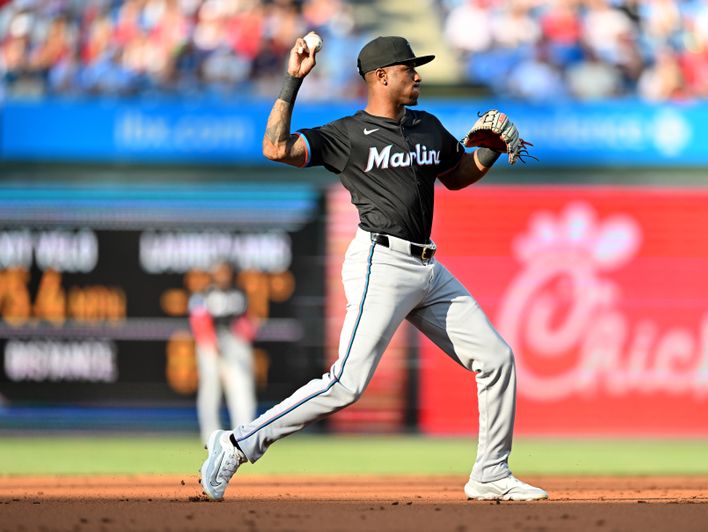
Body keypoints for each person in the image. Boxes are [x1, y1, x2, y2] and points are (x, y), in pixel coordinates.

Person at [199, 35, 548, 502]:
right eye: (409, 68)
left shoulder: (427, 126)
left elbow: (458, 176)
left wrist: (486, 152)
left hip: (427, 266)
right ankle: (237, 444)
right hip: (379, 262)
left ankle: (490, 473)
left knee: (496, 359)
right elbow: (275, 148)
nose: (418, 75)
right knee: (346, 384)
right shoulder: (347, 134)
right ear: (382, 76)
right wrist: (293, 80)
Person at [189, 261, 257, 443]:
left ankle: (244, 435)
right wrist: (212, 344)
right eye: (219, 272)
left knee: (241, 389)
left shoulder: (239, 293)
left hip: (234, 343)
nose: (222, 276)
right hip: (210, 345)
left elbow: (248, 322)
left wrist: (242, 335)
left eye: (225, 272)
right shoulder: (204, 295)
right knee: (210, 390)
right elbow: (198, 321)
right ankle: (209, 436)